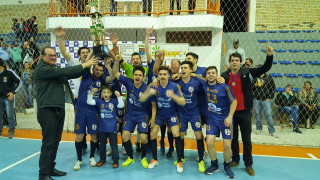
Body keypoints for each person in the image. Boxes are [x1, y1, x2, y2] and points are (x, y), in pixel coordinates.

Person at [33, 47, 97, 180]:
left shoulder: (55, 70)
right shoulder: (42, 69)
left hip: (58, 109)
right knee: (48, 143)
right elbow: (66, 71)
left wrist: (87, 64)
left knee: (55, 141)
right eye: (50, 55)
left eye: (54, 55)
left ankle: (50, 168)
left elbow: (72, 73)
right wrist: (85, 64)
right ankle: (43, 174)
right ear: (42, 57)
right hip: (47, 110)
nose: (53, 57)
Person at [220, 43, 274, 176]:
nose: (234, 62)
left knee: (246, 139)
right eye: (232, 60)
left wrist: (269, 56)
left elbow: (265, 67)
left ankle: (248, 164)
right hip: (230, 113)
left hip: (244, 111)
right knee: (233, 138)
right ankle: (235, 160)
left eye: (237, 60)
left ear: (240, 62)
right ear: (229, 62)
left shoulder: (248, 72)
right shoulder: (224, 75)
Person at [113, 54, 156, 168]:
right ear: (133, 75)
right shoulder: (128, 82)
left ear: (143, 77)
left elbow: (153, 104)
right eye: (136, 74)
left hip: (142, 116)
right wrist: (117, 61)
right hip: (130, 116)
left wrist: (152, 118)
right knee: (125, 136)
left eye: (140, 75)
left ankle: (143, 158)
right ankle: (130, 157)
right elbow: (115, 73)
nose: (137, 77)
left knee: (144, 138)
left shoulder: (147, 88)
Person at [140, 65, 186, 173]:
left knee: (176, 134)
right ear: (158, 76)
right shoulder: (154, 85)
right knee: (152, 134)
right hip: (159, 115)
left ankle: (179, 161)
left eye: (165, 74)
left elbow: (183, 102)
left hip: (171, 114)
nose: (162, 76)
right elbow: (142, 99)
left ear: (168, 75)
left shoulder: (174, 86)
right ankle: (155, 159)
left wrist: (173, 96)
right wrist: (148, 93)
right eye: (160, 74)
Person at [193, 66, 237, 178]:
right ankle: (214, 164)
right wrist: (192, 74)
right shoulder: (205, 84)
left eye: (213, 73)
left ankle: (227, 166)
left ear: (217, 75)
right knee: (209, 141)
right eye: (208, 73)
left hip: (225, 121)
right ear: (206, 75)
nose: (211, 75)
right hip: (212, 120)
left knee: (227, 145)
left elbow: (234, 102)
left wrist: (230, 116)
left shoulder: (224, 87)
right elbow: (197, 77)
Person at [174, 61, 205, 173]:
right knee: (180, 135)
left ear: (191, 70)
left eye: (186, 68)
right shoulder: (177, 82)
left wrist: (196, 75)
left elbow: (208, 83)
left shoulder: (196, 82)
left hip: (194, 113)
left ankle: (201, 159)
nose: (183, 70)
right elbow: (164, 81)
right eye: (182, 68)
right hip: (181, 114)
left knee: (198, 134)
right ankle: (181, 157)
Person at [87, 86, 124, 168]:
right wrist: (91, 93)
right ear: (101, 94)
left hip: (112, 129)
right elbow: (89, 102)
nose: (106, 94)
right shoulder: (99, 101)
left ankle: (115, 160)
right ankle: (102, 159)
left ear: (111, 93)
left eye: (107, 92)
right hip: (102, 129)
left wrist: (119, 96)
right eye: (104, 92)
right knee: (102, 145)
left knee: (114, 146)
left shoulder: (114, 101)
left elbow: (121, 105)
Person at [0, 58, 22, 139]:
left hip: (8, 98)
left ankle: (11, 131)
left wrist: (13, 92)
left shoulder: (9, 72)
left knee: (10, 115)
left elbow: (20, 82)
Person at [252, 67, 278, 137]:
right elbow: (251, 88)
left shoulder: (269, 78)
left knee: (268, 114)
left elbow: (273, 88)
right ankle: (259, 128)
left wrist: (270, 97)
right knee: (257, 114)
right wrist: (255, 86)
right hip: (256, 99)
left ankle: (272, 131)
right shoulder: (255, 78)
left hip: (266, 99)